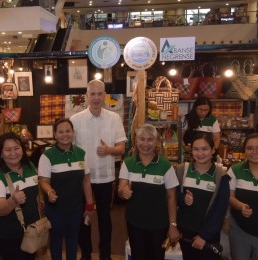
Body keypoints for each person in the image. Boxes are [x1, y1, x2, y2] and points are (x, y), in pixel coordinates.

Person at [70, 79, 127, 260]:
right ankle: (86, 253)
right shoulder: (75, 120)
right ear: (86, 96)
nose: (96, 98)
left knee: (105, 219)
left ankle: (105, 254)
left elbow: (121, 148)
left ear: (105, 96)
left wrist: (109, 150)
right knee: (82, 218)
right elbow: (69, 149)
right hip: (81, 178)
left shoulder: (114, 118)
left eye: (99, 94)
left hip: (105, 176)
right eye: (92, 94)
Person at [118, 124, 180, 260]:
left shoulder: (166, 166)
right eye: (141, 139)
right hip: (134, 222)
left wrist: (173, 225)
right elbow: (121, 189)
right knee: (138, 255)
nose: (145, 144)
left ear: (156, 142)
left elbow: (171, 198)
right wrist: (123, 192)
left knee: (156, 256)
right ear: (136, 141)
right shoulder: (128, 163)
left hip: (159, 224)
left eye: (150, 139)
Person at [38, 118, 94, 260]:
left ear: (73, 133)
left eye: (68, 131)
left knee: (72, 240)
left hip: (75, 208)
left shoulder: (81, 154)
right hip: (55, 209)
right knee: (56, 241)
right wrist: (49, 191)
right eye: (61, 132)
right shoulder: (47, 156)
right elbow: (43, 181)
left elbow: (86, 181)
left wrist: (89, 205)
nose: (65, 135)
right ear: (55, 135)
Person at [0, 132, 39, 260]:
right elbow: (0, 210)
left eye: (16, 148)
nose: (13, 153)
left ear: (22, 149)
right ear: (1, 154)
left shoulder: (30, 167)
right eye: (8, 150)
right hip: (9, 235)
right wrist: (13, 200)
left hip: (31, 231)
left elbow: (35, 195)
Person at [176, 132, 230, 260]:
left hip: (209, 236)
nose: (200, 153)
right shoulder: (181, 170)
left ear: (212, 150)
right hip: (185, 233)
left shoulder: (221, 176)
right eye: (196, 149)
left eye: (204, 149)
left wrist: (204, 235)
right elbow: (172, 197)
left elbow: (220, 209)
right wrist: (183, 199)